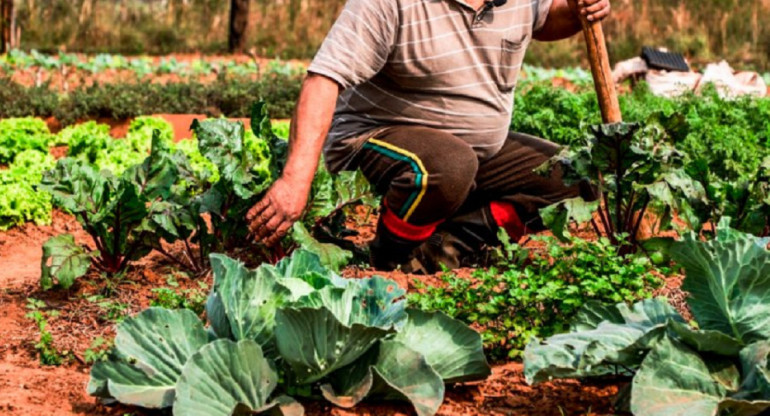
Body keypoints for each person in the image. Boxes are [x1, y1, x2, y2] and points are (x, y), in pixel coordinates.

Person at [247, 0, 610, 273]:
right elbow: (322, 81)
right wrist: (295, 180)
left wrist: (580, 9)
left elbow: (545, 19)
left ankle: (447, 247)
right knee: (449, 165)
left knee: (572, 175)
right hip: (372, 137)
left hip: (470, 152)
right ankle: (389, 258)